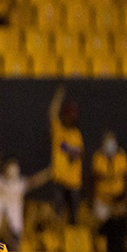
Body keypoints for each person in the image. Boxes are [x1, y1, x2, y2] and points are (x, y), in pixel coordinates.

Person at [0, 158, 53, 250]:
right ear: (6, 169)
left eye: (15, 168)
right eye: (11, 167)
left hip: (15, 229)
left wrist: (48, 172)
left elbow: (34, 181)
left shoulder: (19, 185)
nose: (13, 170)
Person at [48, 86, 83, 223]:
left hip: (74, 181)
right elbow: (52, 112)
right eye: (69, 114)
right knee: (58, 214)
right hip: (60, 179)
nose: (72, 117)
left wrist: (72, 153)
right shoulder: (58, 129)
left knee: (74, 216)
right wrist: (58, 97)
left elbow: (80, 153)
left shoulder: (76, 134)